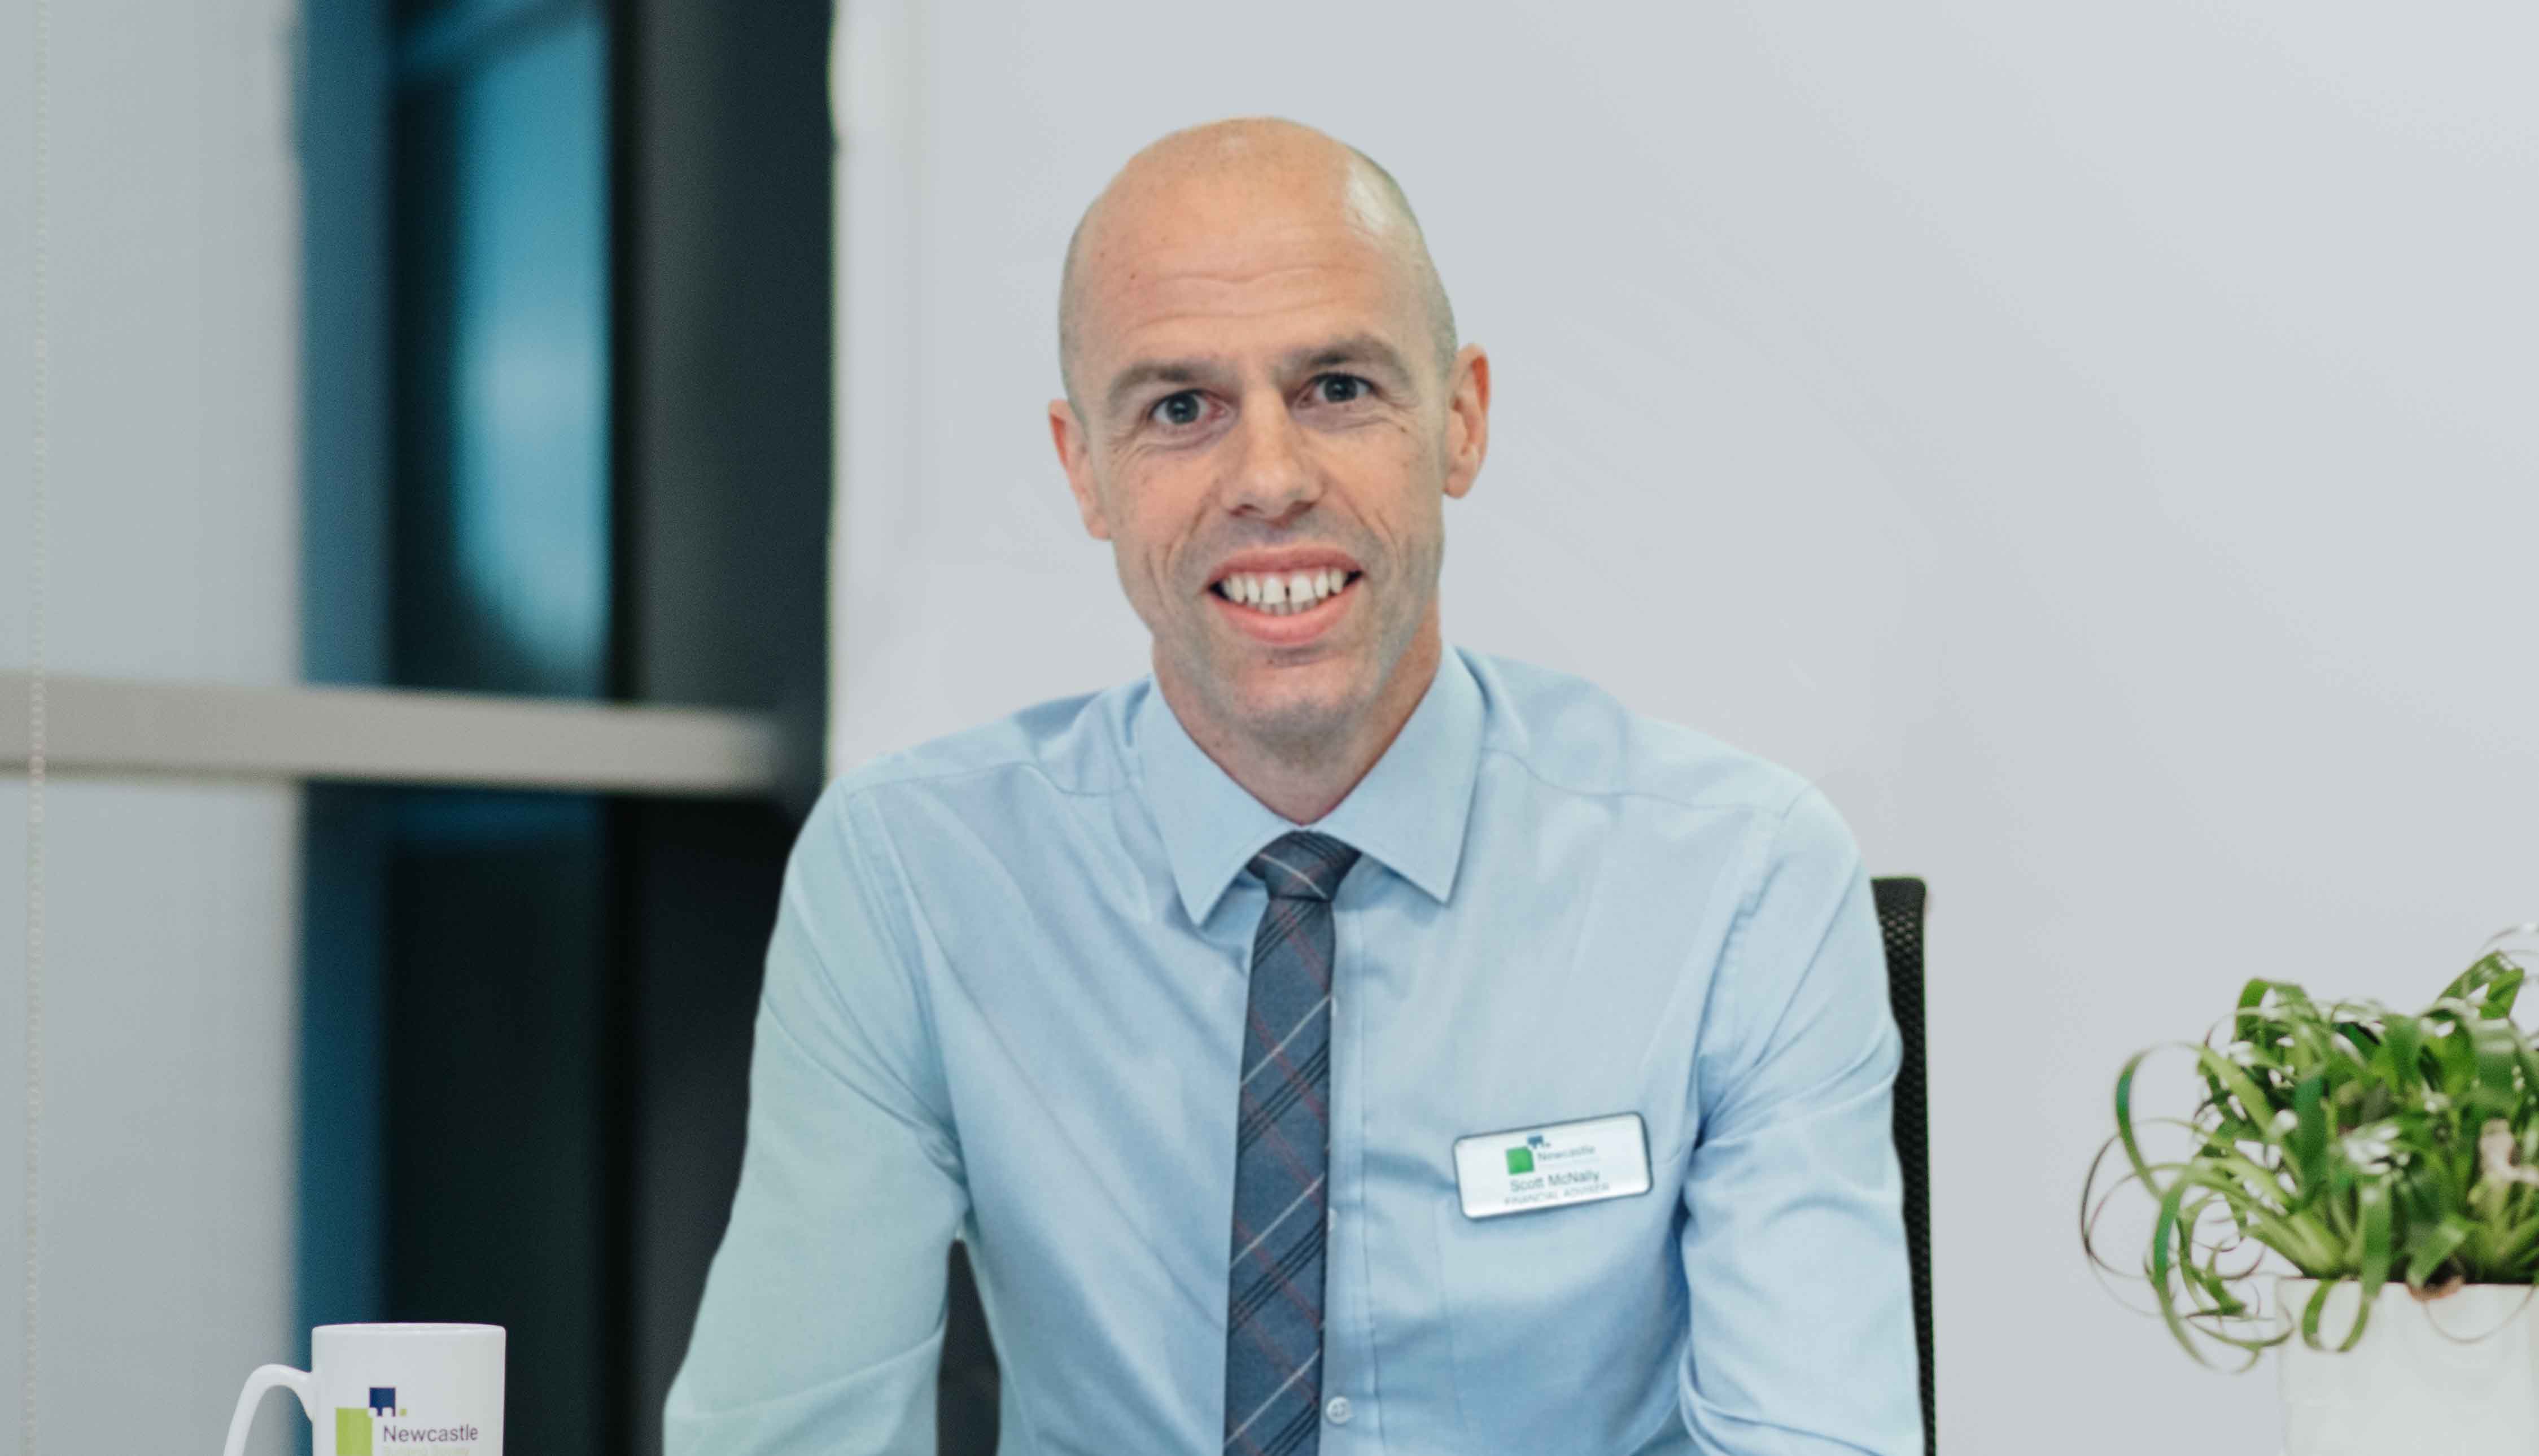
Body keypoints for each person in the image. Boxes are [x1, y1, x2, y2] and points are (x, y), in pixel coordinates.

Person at [665, 117, 1921, 1456]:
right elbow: (790, 1433)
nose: (1268, 478)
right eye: (1179, 409)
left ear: (1460, 420)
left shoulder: (1741, 882)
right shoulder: (909, 883)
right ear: (1083, 468)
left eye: (1335, 387)